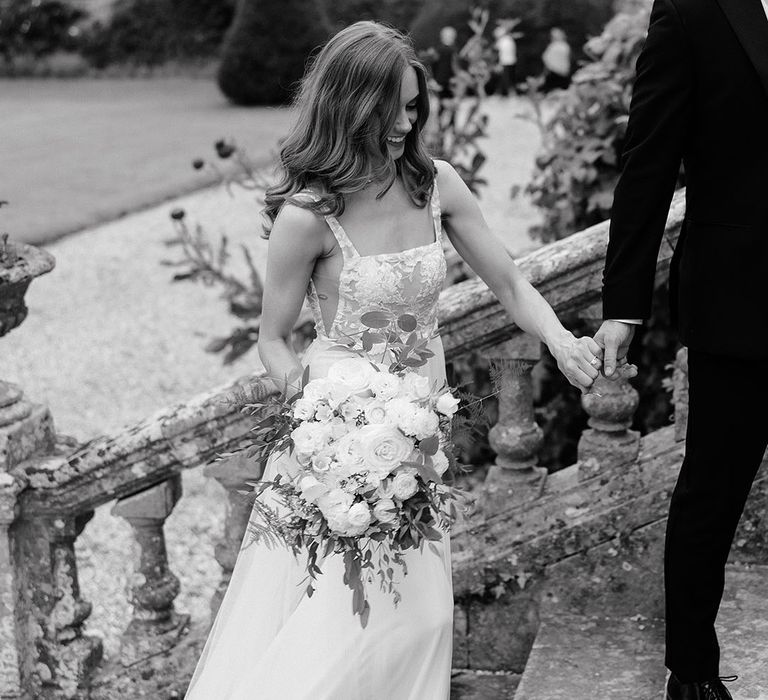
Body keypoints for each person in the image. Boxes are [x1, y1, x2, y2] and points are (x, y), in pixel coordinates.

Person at [187, 21, 606, 700]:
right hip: (339, 442)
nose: (406, 124)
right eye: (391, 108)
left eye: (414, 107)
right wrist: (323, 423)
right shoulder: (308, 217)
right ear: (349, 104)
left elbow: (509, 281)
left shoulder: (433, 183)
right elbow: (273, 338)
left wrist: (559, 340)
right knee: (345, 621)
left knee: (424, 615)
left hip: (418, 431)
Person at [596, 0, 768, 698]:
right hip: (742, 298)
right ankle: (693, 674)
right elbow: (650, 158)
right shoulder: (693, 13)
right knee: (713, 492)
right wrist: (623, 306)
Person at [494, 22, 519, 97]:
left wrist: (497, 63)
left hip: (505, 62)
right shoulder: (510, 39)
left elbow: (496, 50)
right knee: (506, 78)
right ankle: (498, 93)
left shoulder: (502, 41)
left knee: (506, 78)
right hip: (512, 61)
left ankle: (510, 93)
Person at [541, 27, 571, 91]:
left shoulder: (561, 46)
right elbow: (547, 60)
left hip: (559, 72)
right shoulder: (554, 46)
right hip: (555, 72)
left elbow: (547, 60)